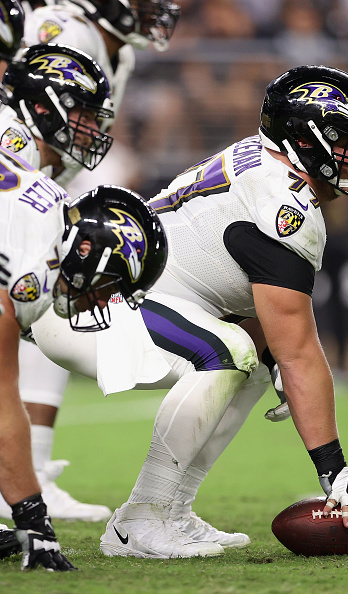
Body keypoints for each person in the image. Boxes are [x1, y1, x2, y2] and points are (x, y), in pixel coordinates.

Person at [29, 65, 348, 559]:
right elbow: (301, 352)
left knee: (254, 356)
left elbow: (273, 328)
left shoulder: (269, 165)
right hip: (96, 300)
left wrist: (280, 363)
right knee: (233, 350)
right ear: (307, 140)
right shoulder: (285, 202)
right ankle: (142, 520)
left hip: (130, 297)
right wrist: (335, 472)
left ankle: (172, 510)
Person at [1, 0, 180, 523]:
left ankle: (25, 474)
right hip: (25, 179)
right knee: (28, 302)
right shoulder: (61, 33)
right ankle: (25, 475)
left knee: (31, 309)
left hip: (35, 178)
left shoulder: (111, 49)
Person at [0, 167, 167, 570]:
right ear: (87, 251)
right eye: (110, 286)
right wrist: (34, 522)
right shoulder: (31, 267)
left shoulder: (48, 221)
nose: (102, 301)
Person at [0, 41, 118, 521]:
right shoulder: (14, 142)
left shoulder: (30, 146)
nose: (92, 129)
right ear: (42, 107)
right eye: (84, 115)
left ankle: (30, 474)